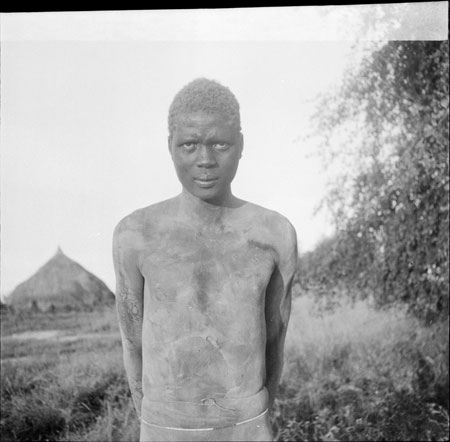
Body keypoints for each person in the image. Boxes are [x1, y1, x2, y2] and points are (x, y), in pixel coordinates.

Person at [112, 78, 298, 442]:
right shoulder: (136, 235)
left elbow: (275, 340)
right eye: (189, 145)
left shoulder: (274, 234)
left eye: (220, 144)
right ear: (170, 147)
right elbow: (133, 343)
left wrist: (252, 419)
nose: (205, 160)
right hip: (163, 426)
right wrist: (157, 423)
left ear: (240, 145)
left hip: (247, 425)